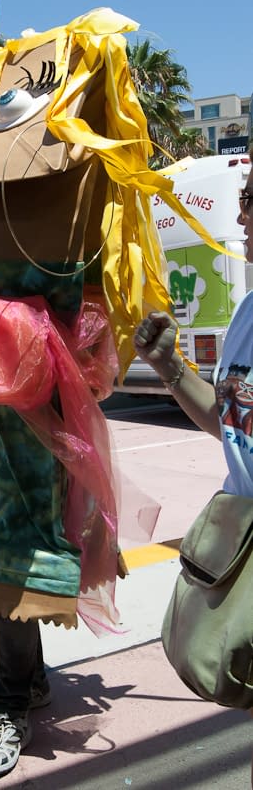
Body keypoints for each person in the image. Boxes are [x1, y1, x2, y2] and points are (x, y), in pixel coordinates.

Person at [134, 144, 253, 788]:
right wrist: (171, 368)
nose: (240, 213)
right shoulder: (246, 313)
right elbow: (229, 423)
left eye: (252, 200)